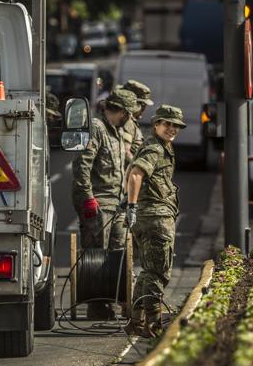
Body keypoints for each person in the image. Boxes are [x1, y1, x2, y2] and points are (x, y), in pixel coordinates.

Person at [71, 88, 137, 319]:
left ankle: (112, 299)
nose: (129, 119)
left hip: (116, 204)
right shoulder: (97, 129)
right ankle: (96, 305)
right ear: (119, 110)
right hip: (98, 204)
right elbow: (82, 166)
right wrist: (87, 198)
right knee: (96, 256)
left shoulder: (116, 132)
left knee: (117, 254)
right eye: (127, 113)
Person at [124, 105, 185, 338]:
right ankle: (154, 323)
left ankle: (136, 321)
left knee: (149, 270)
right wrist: (131, 205)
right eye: (167, 124)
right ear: (156, 124)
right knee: (159, 272)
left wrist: (132, 203)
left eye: (176, 126)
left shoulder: (160, 146)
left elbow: (132, 174)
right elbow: (136, 174)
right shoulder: (154, 148)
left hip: (149, 215)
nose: (172, 129)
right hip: (155, 217)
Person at [121, 79, 154, 167]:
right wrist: (140, 169)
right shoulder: (127, 123)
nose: (144, 109)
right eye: (143, 105)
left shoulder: (128, 121)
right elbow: (125, 152)